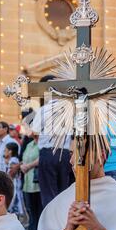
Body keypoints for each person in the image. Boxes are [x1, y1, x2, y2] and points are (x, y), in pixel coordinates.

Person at [31, 75, 74, 208]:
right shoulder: (69, 110)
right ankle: (63, 224)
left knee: (49, 194)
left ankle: (51, 225)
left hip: (48, 153)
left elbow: (35, 132)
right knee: (63, 192)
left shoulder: (43, 110)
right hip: (65, 153)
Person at [20, 133, 41, 230]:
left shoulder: (43, 143)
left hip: (38, 182)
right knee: (31, 210)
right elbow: (24, 158)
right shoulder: (29, 144)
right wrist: (23, 165)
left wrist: (28, 166)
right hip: (28, 182)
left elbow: (41, 158)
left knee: (39, 210)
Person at [1, 142, 25, 217]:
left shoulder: (13, 160)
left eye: (5, 150)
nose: (4, 152)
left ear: (10, 151)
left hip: (14, 184)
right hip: (14, 184)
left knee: (14, 203)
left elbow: (11, 173)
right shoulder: (12, 160)